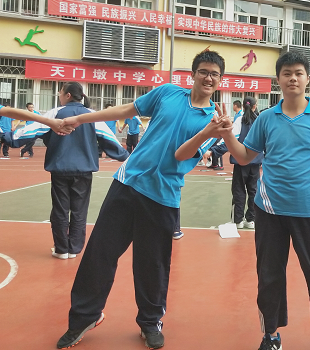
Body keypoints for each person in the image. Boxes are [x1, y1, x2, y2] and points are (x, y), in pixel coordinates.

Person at [54, 49, 226, 350]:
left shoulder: (214, 120)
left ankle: (150, 321)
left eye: (214, 74)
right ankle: (84, 317)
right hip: (127, 184)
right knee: (99, 254)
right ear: (193, 74)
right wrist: (80, 119)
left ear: (220, 80)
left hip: (163, 196)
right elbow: (125, 111)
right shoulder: (168, 93)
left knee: (152, 265)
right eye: (203, 71)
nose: (208, 78)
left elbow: (181, 155)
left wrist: (210, 131)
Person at [181, 51, 310, 350]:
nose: (293, 78)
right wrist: (228, 134)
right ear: (278, 80)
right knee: (269, 277)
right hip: (269, 212)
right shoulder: (266, 118)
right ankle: (271, 335)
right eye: (287, 73)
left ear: (307, 79)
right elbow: (245, 156)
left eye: (298, 73)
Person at [13, 82, 128, 259]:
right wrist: (125, 156)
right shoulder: (91, 116)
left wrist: (9, 138)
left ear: (67, 95)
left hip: (60, 169)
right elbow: (109, 139)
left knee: (60, 210)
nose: (59, 95)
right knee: (79, 210)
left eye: (60, 92)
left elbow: (30, 130)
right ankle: (74, 248)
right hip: (83, 170)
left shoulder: (56, 113)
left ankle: (61, 249)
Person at [229, 95, 262, 229]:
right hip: (255, 162)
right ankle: (251, 219)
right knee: (253, 191)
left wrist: (214, 151)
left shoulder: (239, 120)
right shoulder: (260, 121)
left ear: (243, 106)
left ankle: (238, 220)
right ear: (255, 106)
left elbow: (232, 139)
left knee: (239, 190)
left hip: (240, 161)